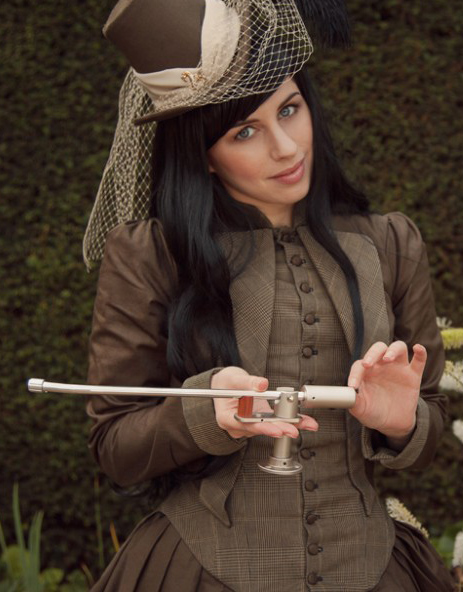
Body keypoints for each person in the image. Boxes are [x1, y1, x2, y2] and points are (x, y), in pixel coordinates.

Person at [84, 0, 455, 590]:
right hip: (199, 569)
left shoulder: (390, 243)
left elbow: (432, 427)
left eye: (290, 109)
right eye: (245, 132)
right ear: (204, 156)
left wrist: (402, 421)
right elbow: (115, 446)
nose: (286, 147)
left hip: (369, 564)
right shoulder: (151, 254)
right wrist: (200, 413)